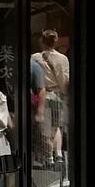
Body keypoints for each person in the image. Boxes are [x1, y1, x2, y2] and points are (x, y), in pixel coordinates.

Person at [32, 28, 69, 163]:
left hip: (44, 95)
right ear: (56, 41)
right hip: (58, 95)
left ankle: (49, 157)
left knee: (45, 128)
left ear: (42, 40)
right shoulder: (63, 59)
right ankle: (58, 154)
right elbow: (65, 80)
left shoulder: (35, 58)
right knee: (56, 126)